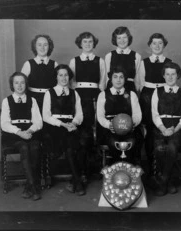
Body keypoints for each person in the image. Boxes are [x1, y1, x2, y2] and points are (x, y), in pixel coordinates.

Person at [42, 64, 85, 196]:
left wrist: (73, 123)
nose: (63, 78)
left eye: (66, 75)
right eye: (60, 75)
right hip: (54, 127)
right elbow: (46, 116)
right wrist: (62, 124)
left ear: (69, 77)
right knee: (69, 144)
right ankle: (77, 182)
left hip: (70, 126)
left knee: (81, 142)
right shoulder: (49, 93)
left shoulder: (74, 93)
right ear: (56, 77)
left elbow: (79, 114)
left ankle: (75, 181)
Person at [69, 32, 106, 180]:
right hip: (80, 95)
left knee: (96, 128)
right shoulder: (74, 60)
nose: (88, 44)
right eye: (85, 42)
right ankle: (83, 168)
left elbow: (103, 82)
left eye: (90, 41)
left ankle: (96, 165)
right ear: (80, 43)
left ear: (94, 43)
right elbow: (71, 83)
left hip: (95, 94)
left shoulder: (100, 61)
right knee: (83, 129)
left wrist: (101, 98)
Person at [1, 72, 43, 201]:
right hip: (13, 135)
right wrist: (19, 132)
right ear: (12, 85)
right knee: (24, 147)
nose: (19, 85)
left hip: (30, 132)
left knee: (35, 147)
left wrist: (29, 131)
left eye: (22, 82)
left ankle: (28, 186)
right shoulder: (7, 101)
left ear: (26, 84)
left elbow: (38, 122)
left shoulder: (32, 100)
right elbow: (4, 123)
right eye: (16, 83)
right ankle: (33, 187)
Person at [151, 62, 181, 196]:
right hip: (160, 126)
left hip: (177, 127)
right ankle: (171, 180)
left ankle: (163, 182)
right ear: (163, 75)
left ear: (178, 76)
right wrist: (162, 128)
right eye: (167, 74)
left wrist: (176, 128)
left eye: (173, 74)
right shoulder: (157, 92)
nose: (170, 77)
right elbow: (155, 114)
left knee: (172, 148)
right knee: (159, 148)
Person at [138, 33, 172, 182]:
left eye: (160, 43)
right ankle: (151, 168)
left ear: (164, 45)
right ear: (150, 45)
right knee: (149, 131)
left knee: (162, 129)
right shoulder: (144, 62)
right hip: (147, 95)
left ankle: (162, 169)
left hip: (164, 95)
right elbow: (139, 84)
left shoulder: (169, 62)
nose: (157, 46)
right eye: (154, 43)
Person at [97, 65, 143, 165]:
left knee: (132, 142)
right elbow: (100, 116)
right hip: (110, 129)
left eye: (121, 77)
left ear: (125, 79)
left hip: (129, 129)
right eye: (115, 77)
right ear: (111, 79)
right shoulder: (103, 95)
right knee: (114, 143)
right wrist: (109, 125)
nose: (118, 80)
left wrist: (131, 124)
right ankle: (115, 171)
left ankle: (130, 171)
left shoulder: (131, 94)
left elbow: (137, 114)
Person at [21, 34, 58, 112]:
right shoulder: (28, 64)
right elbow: (21, 85)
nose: (42, 48)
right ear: (35, 47)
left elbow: (58, 86)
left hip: (50, 100)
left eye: (45, 45)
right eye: (39, 45)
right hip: (32, 100)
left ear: (49, 47)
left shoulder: (54, 64)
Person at [104, 26, 141, 93]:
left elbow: (137, 78)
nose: (122, 41)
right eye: (119, 38)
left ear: (129, 38)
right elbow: (106, 78)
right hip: (112, 89)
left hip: (130, 89)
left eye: (124, 37)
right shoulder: (109, 56)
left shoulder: (136, 56)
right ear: (115, 39)